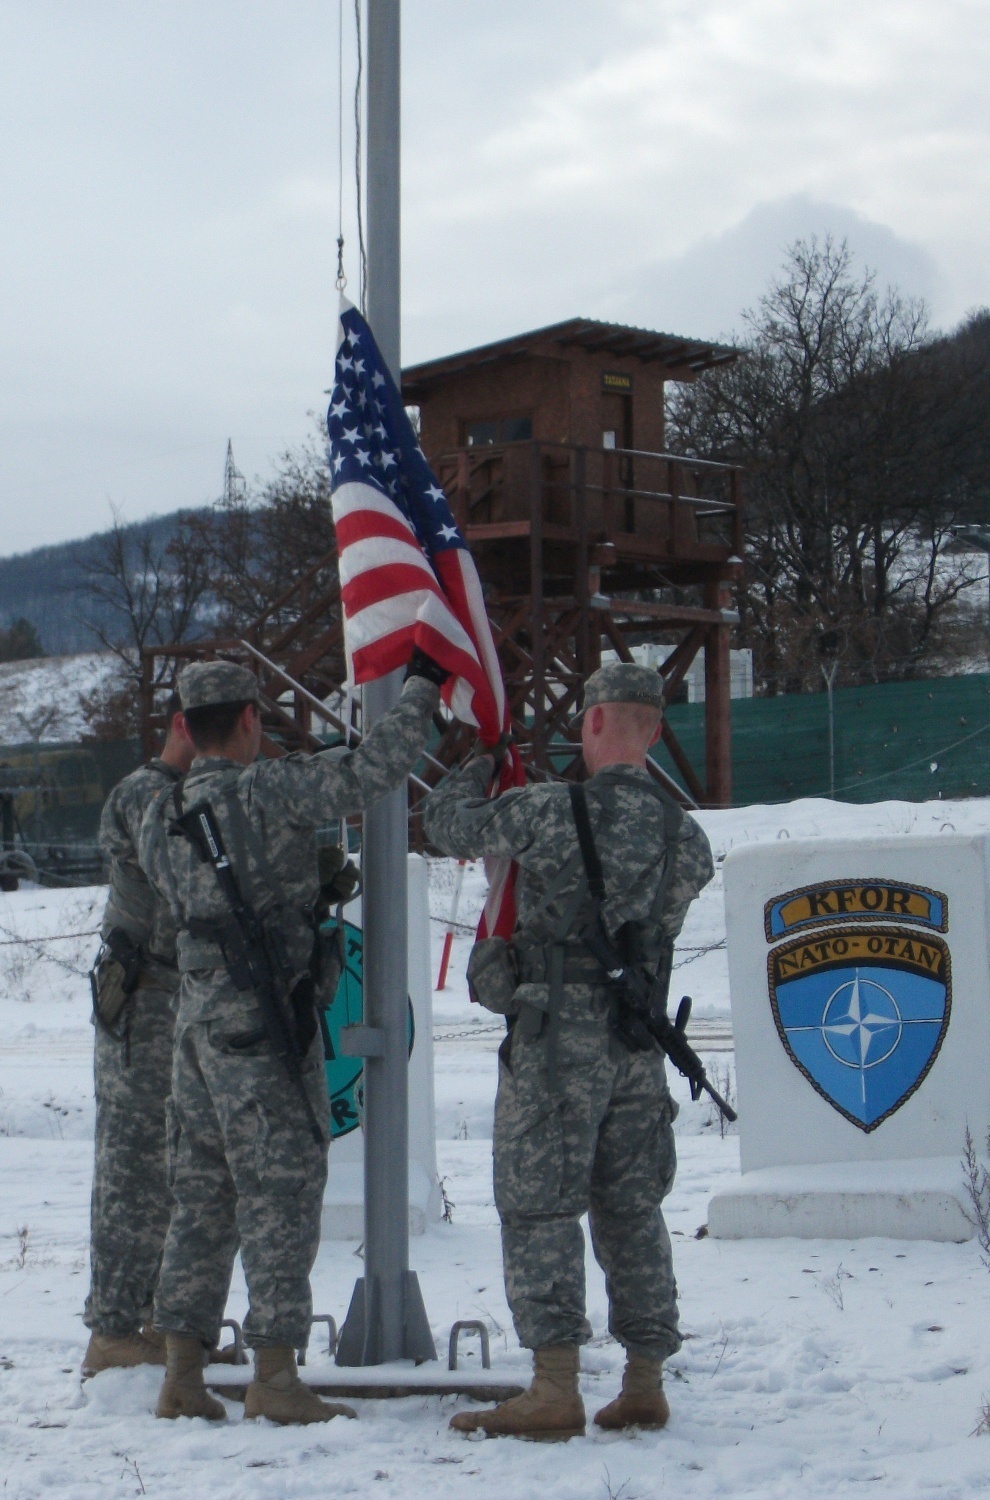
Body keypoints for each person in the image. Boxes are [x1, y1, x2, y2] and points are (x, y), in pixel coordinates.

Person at [139, 655, 443, 1425]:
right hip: (261, 1024)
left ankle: (182, 1370)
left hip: (195, 1027)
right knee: (281, 1192)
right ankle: (275, 1372)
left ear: (185, 727)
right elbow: (376, 766)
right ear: (249, 719)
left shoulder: (159, 815)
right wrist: (422, 688)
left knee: (202, 1194)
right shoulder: (273, 791)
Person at [423, 662, 715, 1440]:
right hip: (637, 1042)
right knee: (632, 1210)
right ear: (653, 731)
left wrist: (481, 759)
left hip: (557, 1042)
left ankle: (554, 1386)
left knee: (541, 1205)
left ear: (590, 723)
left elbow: (446, 825)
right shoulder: (688, 840)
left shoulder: (550, 812)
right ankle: (645, 1378)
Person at [82, 695, 197, 1376]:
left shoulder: (185, 795)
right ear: (187, 727)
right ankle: (114, 1329)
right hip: (144, 1007)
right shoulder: (143, 794)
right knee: (133, 1171)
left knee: (178, 1170)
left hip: (178, 1003)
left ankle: (152, 1315)